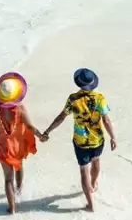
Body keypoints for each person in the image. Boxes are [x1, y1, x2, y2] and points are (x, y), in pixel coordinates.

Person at [41, 68, 117, 212]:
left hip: (81, 141)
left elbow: (61, 117)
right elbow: (106, 120)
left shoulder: (73, 99)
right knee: (96, 161)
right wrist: (113, 137)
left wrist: (47, 132)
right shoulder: (100, 98)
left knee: (84, 171)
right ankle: (94, 184)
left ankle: (90, 204)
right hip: (98, 140)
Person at [0, 80, 46, 215]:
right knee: (19, 166)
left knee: (8, 178)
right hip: (18, 144)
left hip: (3, 146)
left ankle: (12, 208)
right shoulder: (20, 108)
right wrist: (40, 136)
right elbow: (29, 127)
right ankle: (19, 192)